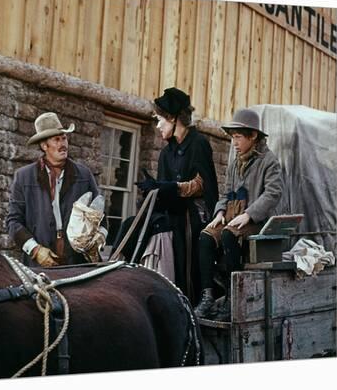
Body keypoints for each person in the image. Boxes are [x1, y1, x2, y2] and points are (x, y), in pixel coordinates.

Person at [115, 87, 218, 302]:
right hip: (171, 212)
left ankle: (189, 301)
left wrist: (170, 187)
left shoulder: (198, 143)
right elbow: (163, 189)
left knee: (183, 251)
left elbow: (202, 184)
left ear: (173, 118)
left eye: (159, 119)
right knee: (131, 225)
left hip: (192, 218)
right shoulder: (166, 152)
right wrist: (155, 190)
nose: (158, 125)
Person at [193, 108, 283, 320]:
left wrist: (250, 214)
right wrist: (220, 211)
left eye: (238, 137)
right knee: (206, 236)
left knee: (228, 235)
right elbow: (226, 192)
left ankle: (233, 299)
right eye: (232, 137)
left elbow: (273, 193)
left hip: (257, 220)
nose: (234, 142)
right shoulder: (235, 163)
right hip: (232, 215)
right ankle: (208, 296)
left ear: (253, 136)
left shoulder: (269, 161)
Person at [7, 112, 107, 267]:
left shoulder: (83, 174)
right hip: (40, 264)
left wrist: (97, 240)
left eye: (64, 138)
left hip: (77, 261)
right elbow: (13, 222)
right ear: (44, 145)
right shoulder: (24, 177)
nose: (63, 144)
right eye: (57, 139)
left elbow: (101, 216)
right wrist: (36, 250)